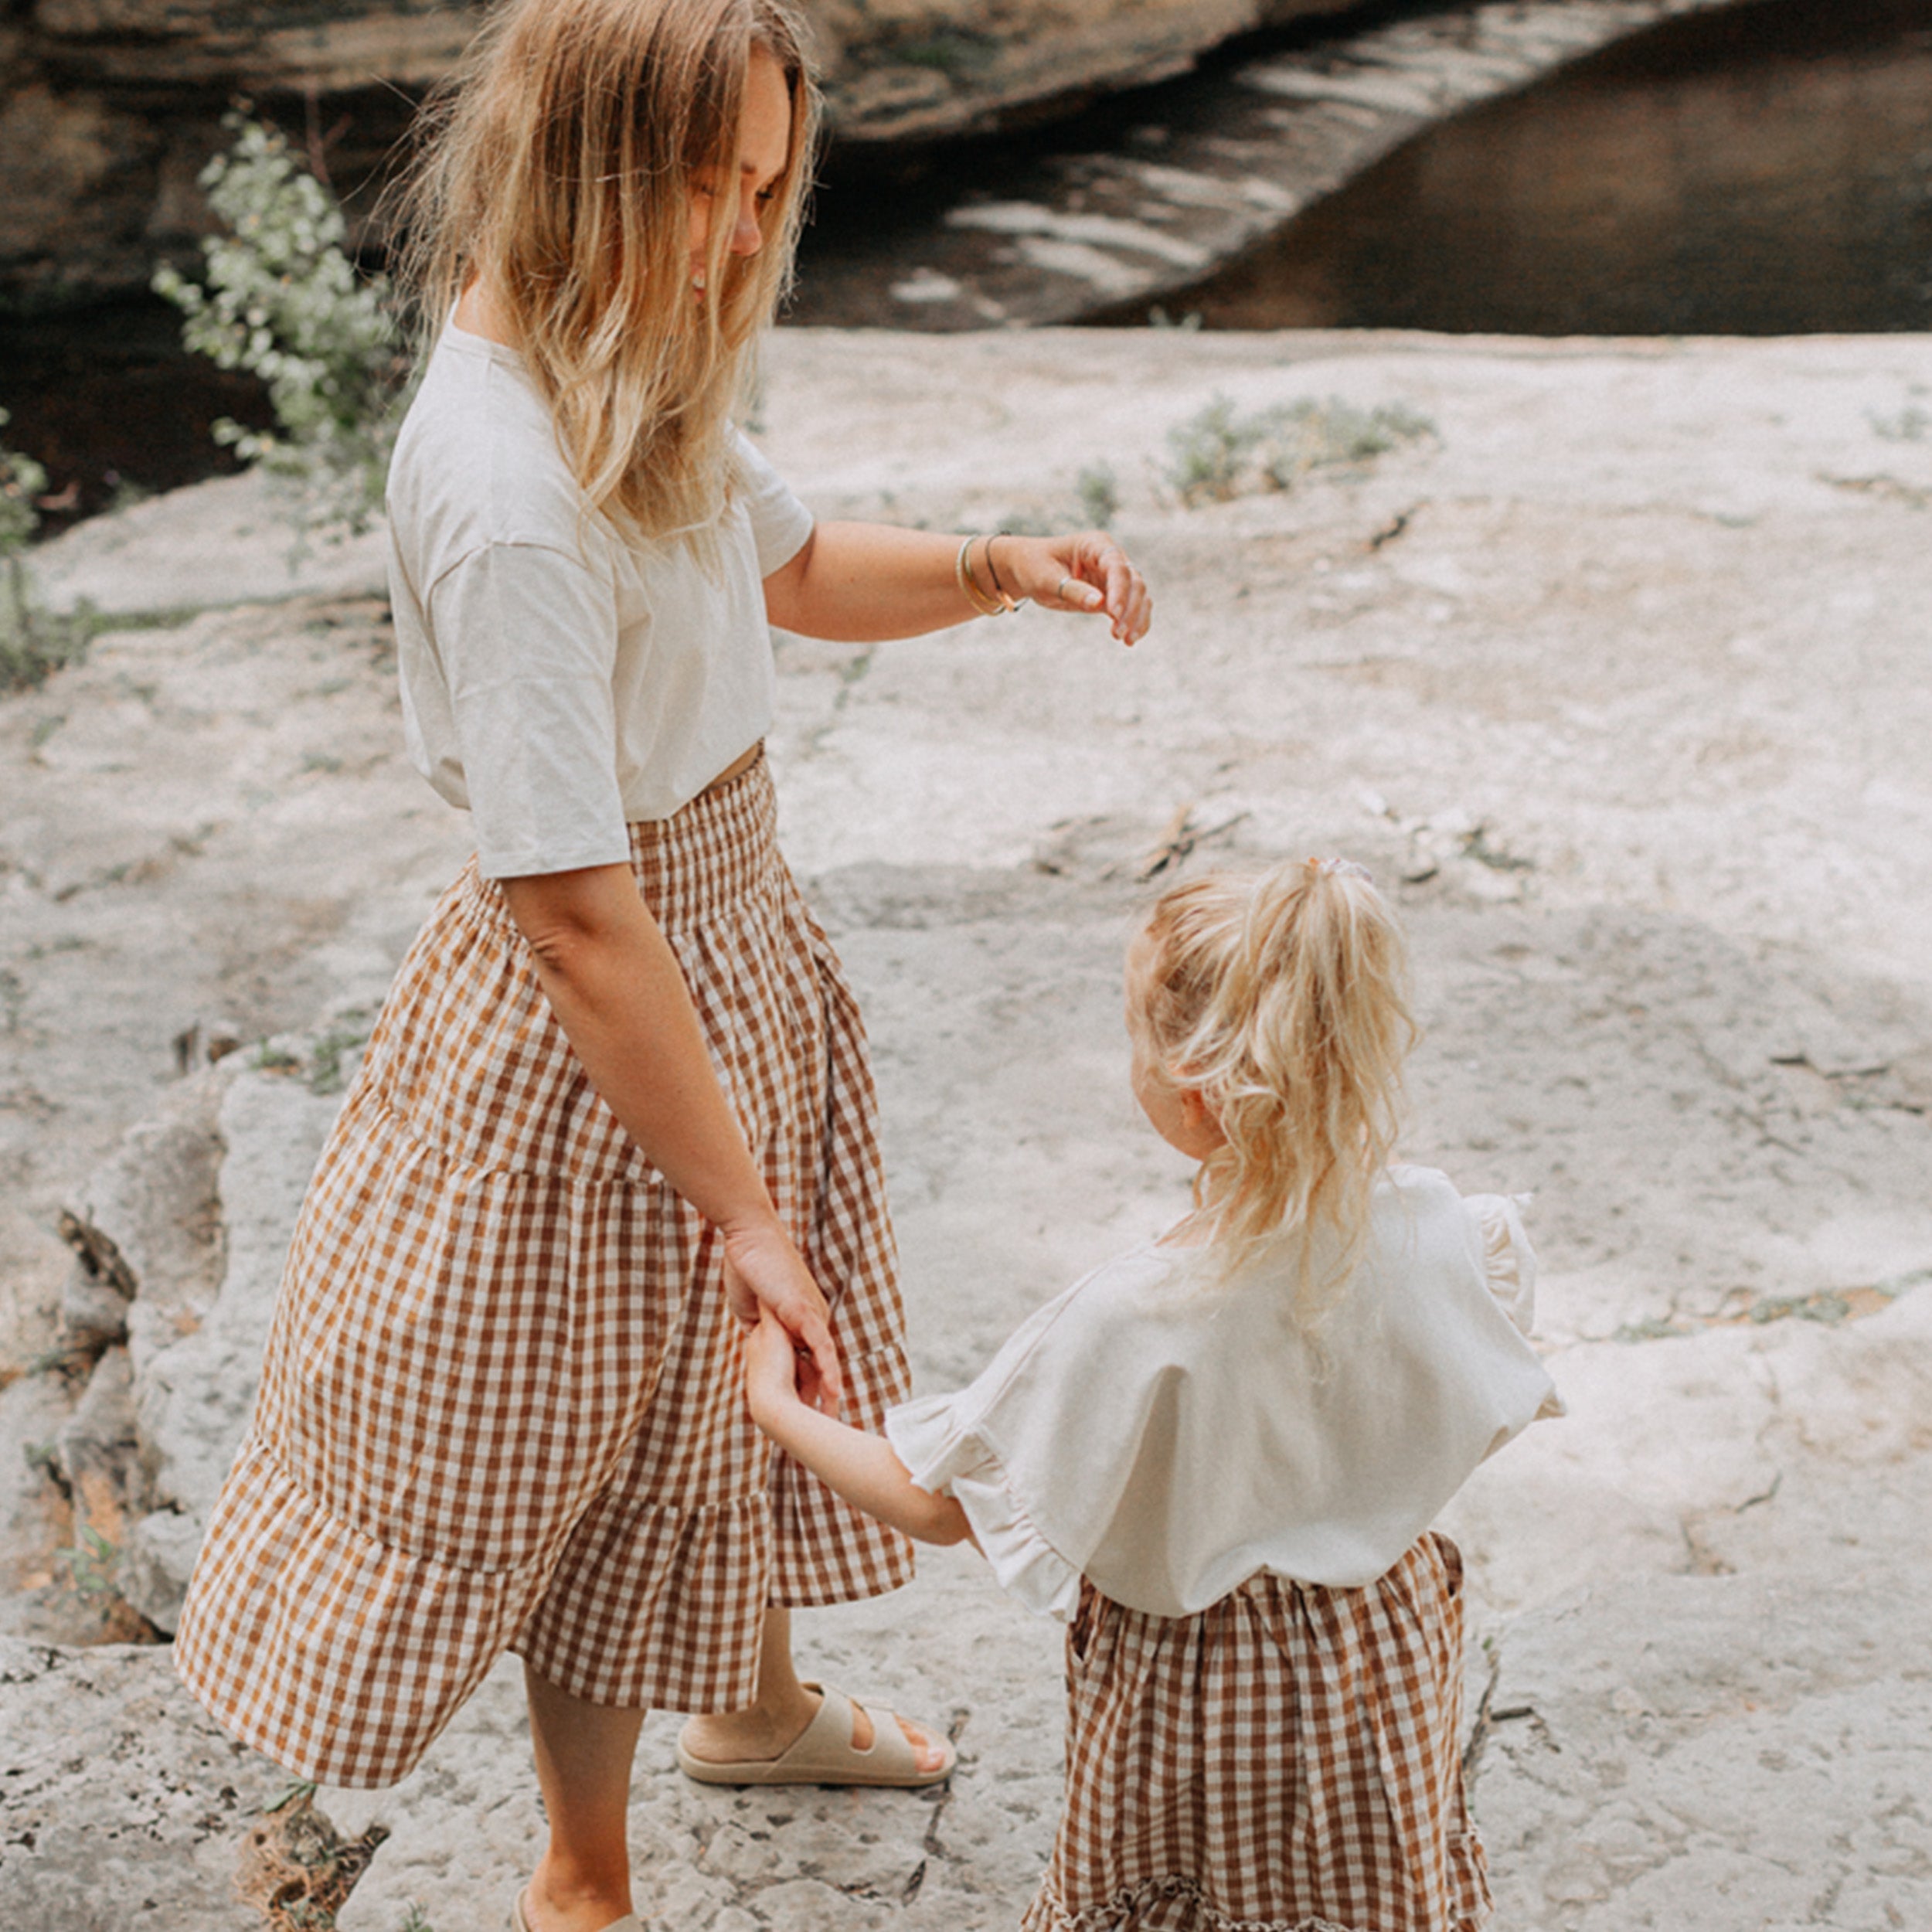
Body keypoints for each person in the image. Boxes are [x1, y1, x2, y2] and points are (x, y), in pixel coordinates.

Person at [170, 2, 1151, 1929]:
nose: (741, 232)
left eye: (770, 188)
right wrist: (739, 1206)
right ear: (583, 166)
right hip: (600, 1018)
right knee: (611, 1432)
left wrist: (985, 564)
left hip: (724, 923)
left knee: (723, 1390)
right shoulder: (504, 486)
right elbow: (567, 907)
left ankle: (752, 1706)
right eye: (708, 186)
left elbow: (786, 565)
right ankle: (581, 1875)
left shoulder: (622, 345)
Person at [745, 855, 1564, 1932]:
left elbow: (937, 1505)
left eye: (1134, 1029)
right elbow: (1461, 1399)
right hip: (1385, 1643)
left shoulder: (1135, 1316)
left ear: (1193, 1091)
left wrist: (780, 1410)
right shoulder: (1447, 1230)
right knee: (1361, 1885)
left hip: (1199, 1679)